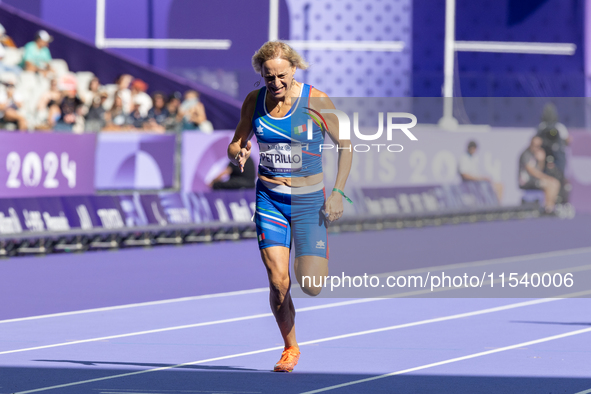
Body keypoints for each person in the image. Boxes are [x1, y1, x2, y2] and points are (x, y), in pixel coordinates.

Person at [227, 41, 352, 373]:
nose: (276, 83)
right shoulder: (255, 101)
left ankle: (308, 256)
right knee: (278, 282)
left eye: (282, 76)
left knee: (310, 284)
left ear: (294, 69)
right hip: (270, 199)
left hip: (309, 202)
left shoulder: (316, 100)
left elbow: (346, 145)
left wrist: (338, 192)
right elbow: (237, 140)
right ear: (262, 75)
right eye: (269, 77)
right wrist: (237, 151)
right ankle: (290, 347)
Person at [519, 136, 560, 213]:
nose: (537, 148)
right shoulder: (526, 154)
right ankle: (548, 208)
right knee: (549, 184)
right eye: (535, 145)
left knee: (555, 183)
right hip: (527, 181)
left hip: (536, 180)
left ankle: (550, 206)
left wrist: (541, 160)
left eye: (539, 146)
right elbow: (532, 171)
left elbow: (539, 169)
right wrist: (546, 177)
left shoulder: (536, 154)